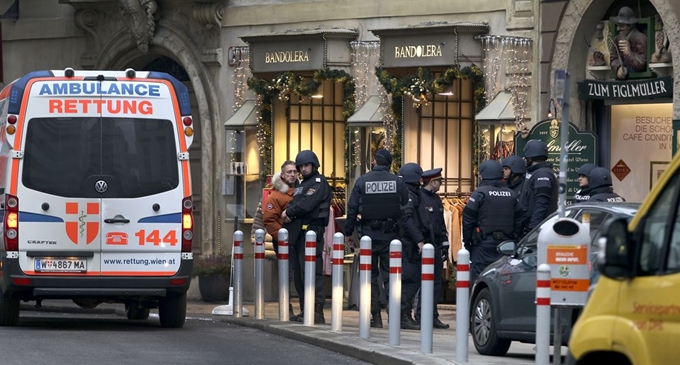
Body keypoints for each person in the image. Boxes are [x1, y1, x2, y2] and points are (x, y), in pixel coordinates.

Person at [345, 149, 408, 328]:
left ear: (374, 161)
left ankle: (375, 316)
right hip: (391, 237)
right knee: (391, 276)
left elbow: (352, 209)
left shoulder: (362, 181)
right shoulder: (398, 182)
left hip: (368, 236)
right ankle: (393, 312)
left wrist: (349, 233)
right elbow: (405, 208)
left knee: (370, 276)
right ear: (389, 164)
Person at [281, 150, 332, 324]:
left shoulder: (318, 182)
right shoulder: (302, 185)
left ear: (314, 165)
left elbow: (306, 204)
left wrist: (289, 212)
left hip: (312, 232)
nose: (303, 169)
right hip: (299, 234)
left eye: (306, 165)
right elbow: (296, 202)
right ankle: (305, 309)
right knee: (300, 274)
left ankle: (317, 310)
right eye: (300, 166)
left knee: (312, 272)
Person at [463, 160, 523, 286]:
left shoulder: (479, 193)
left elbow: (468, 220)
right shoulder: (511, 194)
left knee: (478, 281)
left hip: (483, 245)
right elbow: (519, 220)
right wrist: (514, 238)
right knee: (502, 281)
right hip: (505, 246)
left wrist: (468, 242)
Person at [263, 160, 302, 320]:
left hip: (300, 240)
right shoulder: (275, 196)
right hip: (285, 243)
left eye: (294, 171)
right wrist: (283, 239)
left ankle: (303, 308)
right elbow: (269, 221)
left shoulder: (301, 190)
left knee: (299, 275)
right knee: (287, 276)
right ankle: (286, 307)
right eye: (289, 172)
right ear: (282, 174)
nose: (292, 174)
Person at [415, 168, 450, 329]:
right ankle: (421, 314)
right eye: (439, 181)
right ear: (431, 182)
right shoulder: (419, 197)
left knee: (436, 283)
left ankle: (432, 315)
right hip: (424, 245)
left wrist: (444, 243)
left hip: (435, 245)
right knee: (423, 282)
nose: (441, 184)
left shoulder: (436, 199)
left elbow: (441, 223)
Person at [397, 162, 425, 330]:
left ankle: (402, 314)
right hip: (408, 244)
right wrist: (419, 239)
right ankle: (403, 315)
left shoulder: (410, 192)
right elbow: (407, 219)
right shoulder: (409, 194)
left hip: (406, 242)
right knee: (410, 279)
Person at [519, 140, 558, 236]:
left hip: (539, 228)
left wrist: (533, 229)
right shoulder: (537, 172)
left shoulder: (542, 174)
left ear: (530, 158)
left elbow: (541, 203)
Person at [609, 6, 647, 79]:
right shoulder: (617, 39)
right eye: (617, 26)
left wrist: (628, 53)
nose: (618, 29)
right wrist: (618, 68)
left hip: (639, 80)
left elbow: (642, 64)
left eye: (622, 26)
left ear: (630, 26)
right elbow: (613, 58)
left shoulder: (640, 38)